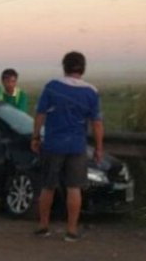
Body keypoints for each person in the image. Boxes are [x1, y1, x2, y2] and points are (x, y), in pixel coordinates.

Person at [31, 51, 104, 242]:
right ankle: (71, 230)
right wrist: (98, 147)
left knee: (48, 186)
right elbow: (96, 123)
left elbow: (40, 115)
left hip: (53, 143)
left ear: (64, 67)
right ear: (83, 68)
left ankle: (43, 226)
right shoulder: (91, 92)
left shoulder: (52, 87)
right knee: (74, 188)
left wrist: (36, 137)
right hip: (77, 146)